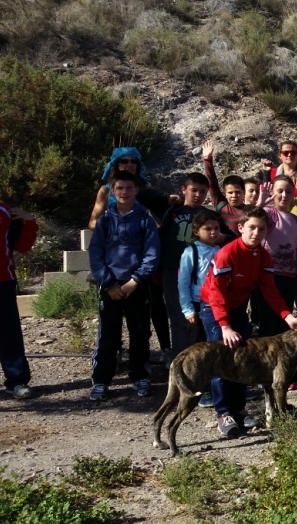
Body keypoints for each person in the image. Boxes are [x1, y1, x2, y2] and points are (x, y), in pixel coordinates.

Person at [202, 207, 297, 436]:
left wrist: (286, 315)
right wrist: (225, 326)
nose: (256, 233)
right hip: (214, 310)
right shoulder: (226, 254)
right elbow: (216, 294)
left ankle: (239, 410)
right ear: (240, 228)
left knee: (242, 359)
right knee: (221, 359)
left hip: (238, 308)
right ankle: (224, 412)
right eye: (252, 227)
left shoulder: (263, 255)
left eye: (261, 229)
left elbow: (269, 289)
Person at [88, 171, 160, 401]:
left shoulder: (144, 219)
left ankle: (140, 376)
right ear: (113, 191)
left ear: (136, 190)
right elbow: (96, 253)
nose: (124, 192)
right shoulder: (105, 221)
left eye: (129, 188)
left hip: (136, 286)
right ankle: (101, 380)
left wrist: (135, 281)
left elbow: (152, 254)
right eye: (119, 188)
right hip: (110, 287)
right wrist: (108, 283)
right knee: (108, 336)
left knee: (139, 334)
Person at [141, 172, 220, 359]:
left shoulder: (209, 216)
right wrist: (166, 199)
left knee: (200, 319)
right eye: (193, 190)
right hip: (173, 271)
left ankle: (200, 363)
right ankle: (180, 362)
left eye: (203, 192)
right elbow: (142, 196)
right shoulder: (173, 211)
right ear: (184, 190)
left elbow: (222, 239)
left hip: (201, 274)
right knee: (179, 318)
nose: (198, 195)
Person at [0, 202, 38, 399]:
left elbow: (22, 246)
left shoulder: (5, 212)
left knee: (9, 334)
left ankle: (16, 381)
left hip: (2, 281)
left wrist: (29, 221)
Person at [258, 176, 297, 336]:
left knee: (284, 322)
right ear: (272, 192)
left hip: (289, 277)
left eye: (288, 192)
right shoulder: (267, 213)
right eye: (280, 191)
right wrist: (261, 203)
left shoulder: (295, 219)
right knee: (267, 321)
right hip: (270, 275)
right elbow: (250, 219)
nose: (284, 195)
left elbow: (296, 250)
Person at [178, 209, 222, 351]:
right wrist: (188, 309)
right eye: (207, 229)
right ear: (196, 232)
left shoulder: (221, 250)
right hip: (197, 304)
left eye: (216, 228)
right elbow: (183, 282)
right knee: (198, 345)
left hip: (217, 303)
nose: (213, 232)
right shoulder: (191, 252)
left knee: (215, 342)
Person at [202, 140, 245, 235]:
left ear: (244, 193)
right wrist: (207, 159)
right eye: (230, 192)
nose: (234, 196)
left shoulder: (249, 212)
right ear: (225, 194)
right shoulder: (221, 205)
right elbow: (212, 183)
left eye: (238, 192)